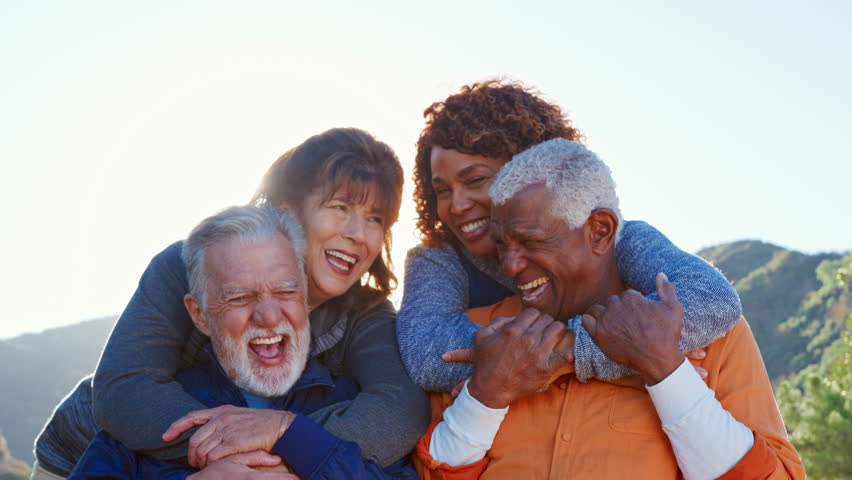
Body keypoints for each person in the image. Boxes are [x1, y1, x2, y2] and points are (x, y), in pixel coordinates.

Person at [32, 128, 428, 479]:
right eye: (341, 208)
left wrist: (290, 441)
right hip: (88, 455)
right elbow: (126, 389)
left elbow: (398, 411)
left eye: (376, 219)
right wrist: (261, 448)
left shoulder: (364, 312)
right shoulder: (190, 263)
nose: (358, 234)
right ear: (288, 210)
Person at [416, 139, 805, 479]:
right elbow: (430, 474)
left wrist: (667, 372)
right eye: (502, 245)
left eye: (529, 241)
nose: (510, 266)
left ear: (599, 230)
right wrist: (485, 395)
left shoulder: (709, 335)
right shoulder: (481, 335)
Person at [397, 80, 743, 392]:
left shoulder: (614, 237)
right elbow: (429, 356)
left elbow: (709, 300)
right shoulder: (438, 260)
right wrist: (629, 354)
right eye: (441, 190)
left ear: (529, 169)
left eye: (475, 181)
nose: (456, 205)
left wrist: (560, 356)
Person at [68, 205, 417, 479]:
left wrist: (294, 438)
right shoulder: (141, 420)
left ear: (305, 297)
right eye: (239, 298)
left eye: (285, 291)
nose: (268, 316)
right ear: (200, 315)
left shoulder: (352, 405)